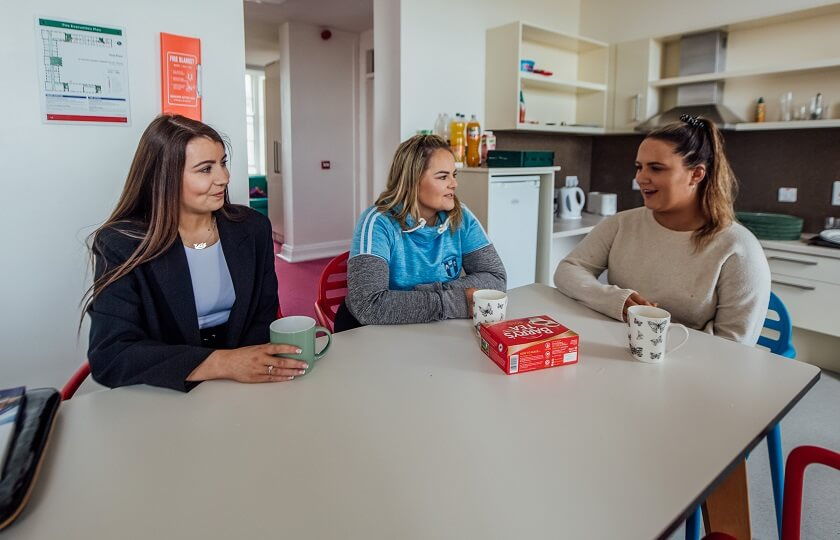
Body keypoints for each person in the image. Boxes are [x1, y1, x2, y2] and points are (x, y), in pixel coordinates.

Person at [83, 115, 307, 392]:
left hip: (244, 385)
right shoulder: (121, 244)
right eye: (205, 169)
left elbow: (263, 315)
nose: (223, 178)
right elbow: (111, 355)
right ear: (164, 178)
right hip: (168, 389)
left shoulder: (253, 228)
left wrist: (244, 369)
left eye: (223, 163)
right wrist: (224, 363)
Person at [554, 114, 770, 345]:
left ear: (696, 174)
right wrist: (614, 300)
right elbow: (568, 270)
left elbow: (735, 346)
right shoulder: (621, 224)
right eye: (639, 167)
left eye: (656, 168)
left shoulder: (738, 247)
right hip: (620, 350)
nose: (640, 178)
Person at [335, 134, 506, 332]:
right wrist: (453, 301)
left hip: (431, 326)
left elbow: (496, 279)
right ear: (412, 180)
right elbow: (368, 305)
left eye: (454, 175)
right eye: (443, 177)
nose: (454, 184)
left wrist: (419, 294)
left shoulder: (462, 216)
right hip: (368, 331)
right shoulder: (377, 222)